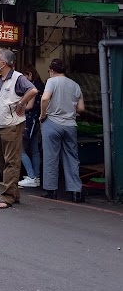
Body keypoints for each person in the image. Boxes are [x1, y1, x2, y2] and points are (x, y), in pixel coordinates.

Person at [0, 48, 38, 209]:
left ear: (4, 63)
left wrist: (21, 103)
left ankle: (7, 197)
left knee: (11, 161)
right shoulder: (0, 79)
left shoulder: (17, 78)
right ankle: (14, 192)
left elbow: (33, 90)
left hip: (12, 124)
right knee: (1, 160)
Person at [40, 58, 85, 202]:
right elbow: (81, 108)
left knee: (51, 157)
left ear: (52, 70)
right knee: (72, 158)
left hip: (52, 122)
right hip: (70, 125)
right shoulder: (75, 85)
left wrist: (42, 115)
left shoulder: (51, 82)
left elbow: (44, 99)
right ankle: (76, 191)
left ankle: (51, 190)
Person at [18, 65, 44, 189]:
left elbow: (29, 106)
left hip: (29, 121)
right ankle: (36, 177)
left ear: (29, 74)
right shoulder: (41, 86)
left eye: (24, 76)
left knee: (20, 149)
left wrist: (17, 106)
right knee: (34, 150)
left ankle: (31, 176)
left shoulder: (31, 88)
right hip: (36, 120)